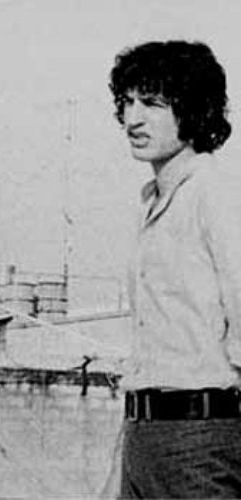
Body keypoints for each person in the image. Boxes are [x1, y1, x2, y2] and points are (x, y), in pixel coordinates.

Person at [109, 40, 241, 498]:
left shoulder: (216, 193)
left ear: (194, 109)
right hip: (143, 436)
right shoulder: (150, 202)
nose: (133, 118)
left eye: (151, 103)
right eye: (127, 102)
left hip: (200, 437)